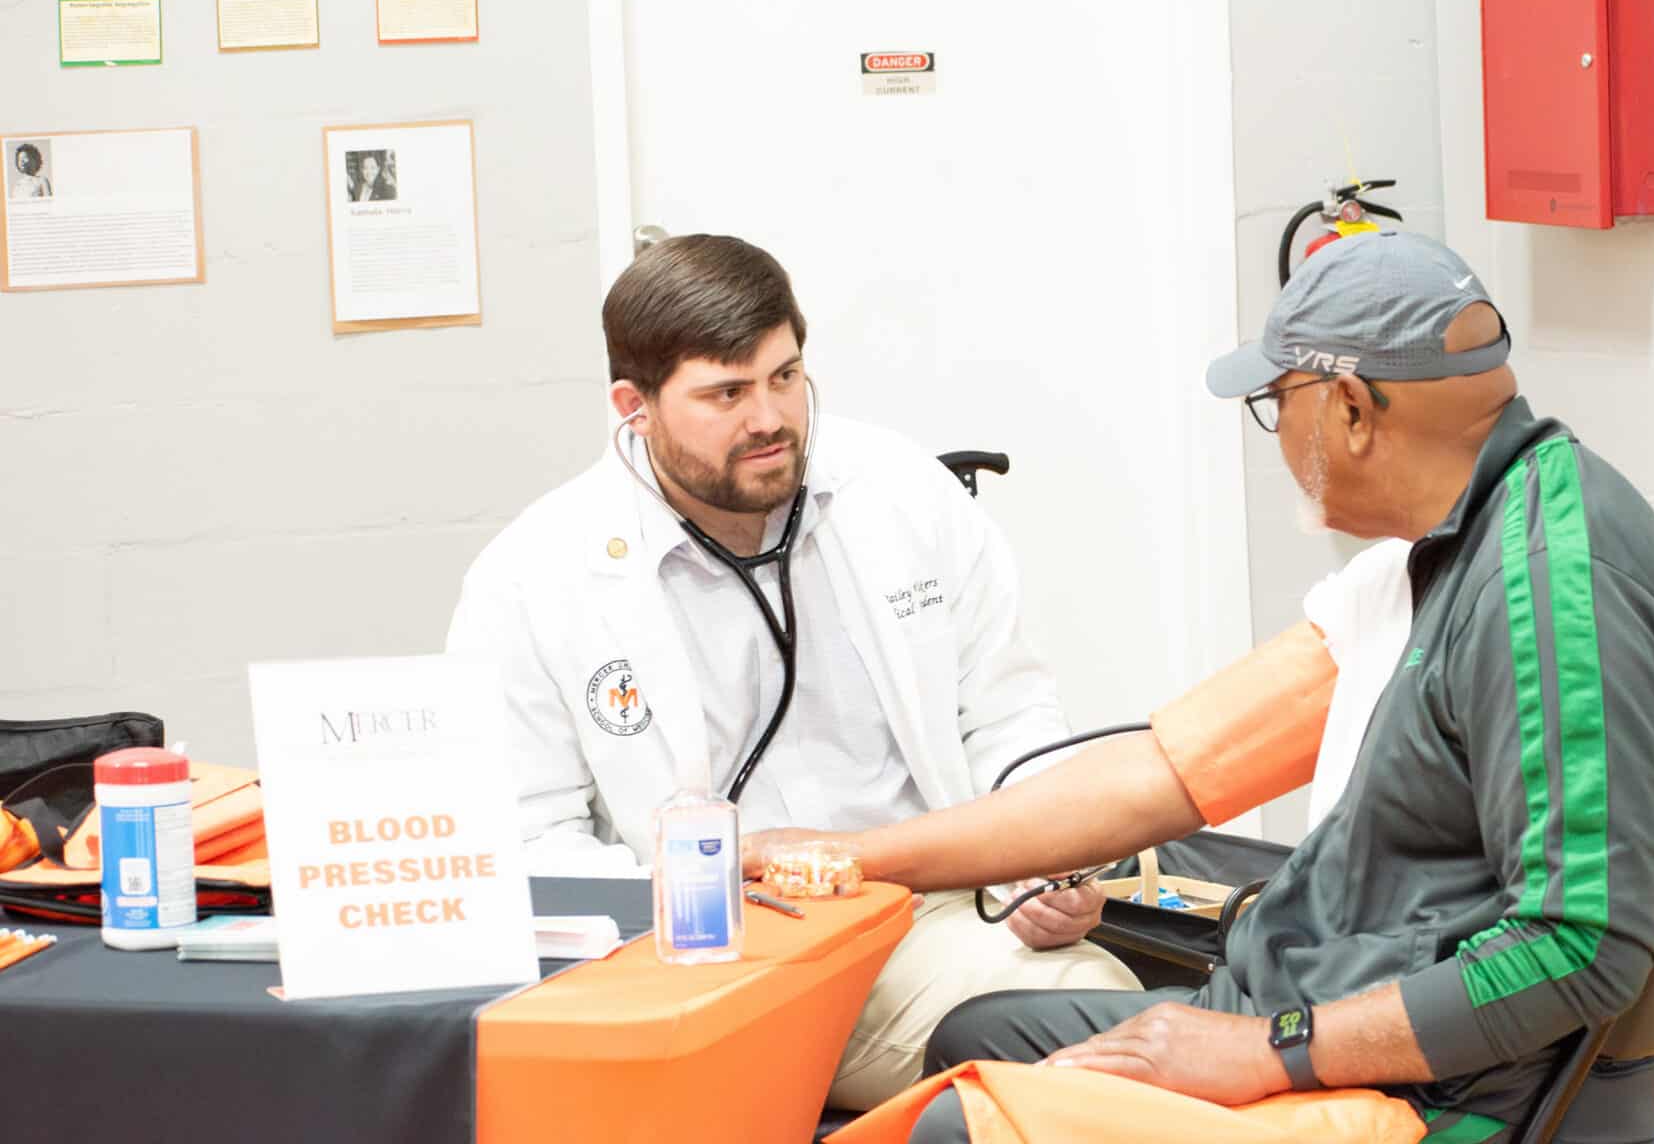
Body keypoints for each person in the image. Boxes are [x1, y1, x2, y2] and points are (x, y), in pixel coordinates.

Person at [748, 232, 1654, 1144]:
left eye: (1277, 401)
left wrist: (1270, 1049)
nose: (1273, 433)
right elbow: (1161, 776)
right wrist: (853, 854)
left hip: (1419, 1093)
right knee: (977, 1035)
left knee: (955, 1126)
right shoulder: (1443, 552)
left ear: (1351, 409)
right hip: (1311, 996)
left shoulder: (1551, 596)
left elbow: (1578, 946)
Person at [446, 235, 1140, 1109]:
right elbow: (526, 842)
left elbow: (1007, 715)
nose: (769, 419)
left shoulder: (899, 490)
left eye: (785, 377)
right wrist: (693, 891)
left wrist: (1043, 868)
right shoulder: (533, 578)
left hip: (922, 917)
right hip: (704, 961)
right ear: (635, 407)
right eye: (726, 394)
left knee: (1098, 1024)